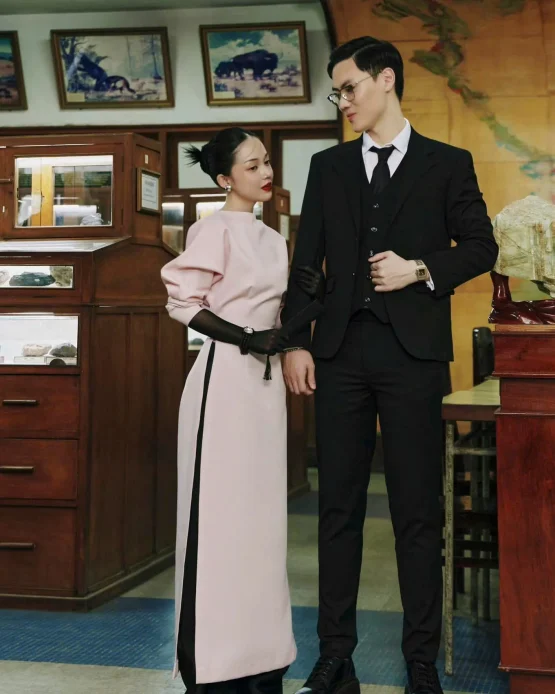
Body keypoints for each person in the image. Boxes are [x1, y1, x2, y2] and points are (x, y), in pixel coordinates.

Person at [281, 37, 499, 694]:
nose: (342, 101)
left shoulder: (447, 164)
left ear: (385, 80)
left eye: (348, 88)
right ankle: (334, 657)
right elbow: (306, 261)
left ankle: (420, 662)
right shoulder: (328, 167)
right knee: (337, 510)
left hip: (414, 358)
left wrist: (420, 268)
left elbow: (481, 247)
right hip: (339, 354)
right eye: (336, 92)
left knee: (416, 513)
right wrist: (294, 340)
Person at [160, 127, 321, 694]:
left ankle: (261, 660)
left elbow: (280, 315)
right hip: (223, 381)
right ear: (225, 178)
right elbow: (182, 302)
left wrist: (306, 308)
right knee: (219, 519)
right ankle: (211, 664)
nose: (265, 172)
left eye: (266, 162)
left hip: (264, 387)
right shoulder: (211, 229)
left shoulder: (273, 238)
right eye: (252, 166)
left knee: (261, 523)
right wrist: (245, 338)